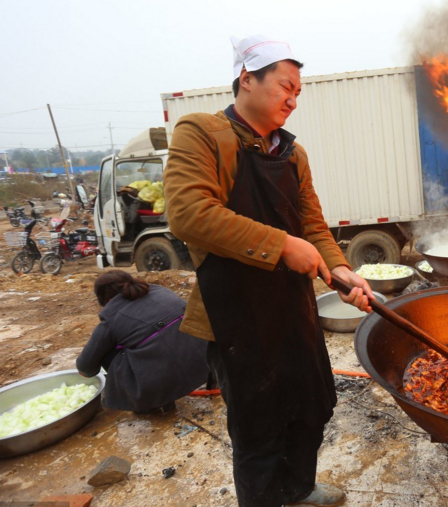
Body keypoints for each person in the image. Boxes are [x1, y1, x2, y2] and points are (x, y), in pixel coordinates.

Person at [163, 35, 373, 507]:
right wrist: (280, 245)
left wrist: (341, 271)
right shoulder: (201, 133)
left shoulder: (293, 155)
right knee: (258, 424)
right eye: (285, 87)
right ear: (247, 79)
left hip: (291, 308)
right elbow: (188, 212)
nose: (293, 100)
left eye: (298, 91)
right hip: (235, 313)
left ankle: (299, 490)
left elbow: (314, 227)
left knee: (309, 408)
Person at [76, 271, 209, 414]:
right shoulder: (162, 291)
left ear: (106, 299)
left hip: (161, 383)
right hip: (205, 363)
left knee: (106, 351)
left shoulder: (110, 318)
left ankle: (153, 401)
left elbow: (86, 368)